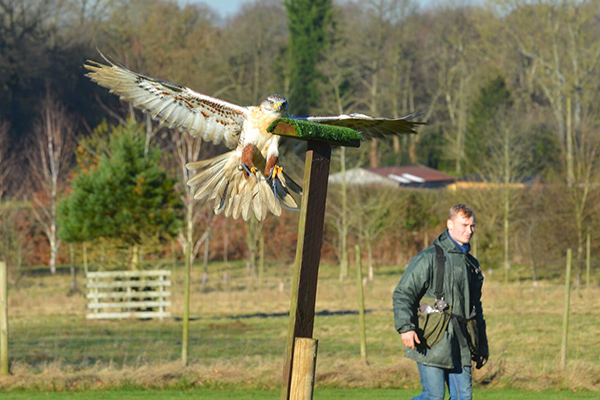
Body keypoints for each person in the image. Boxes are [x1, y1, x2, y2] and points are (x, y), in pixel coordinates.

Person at [393, 203, 488, 400]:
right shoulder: (428, 258)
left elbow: (476, 307)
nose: (469, 231)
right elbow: (403, 293)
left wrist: (482, 344)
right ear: (449, 224)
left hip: (462, 340)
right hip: (431, 337)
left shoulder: (472, 265)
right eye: (464, 225)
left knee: (463, 398)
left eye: (472, 226)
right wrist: (405, 327)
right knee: (433, 397)